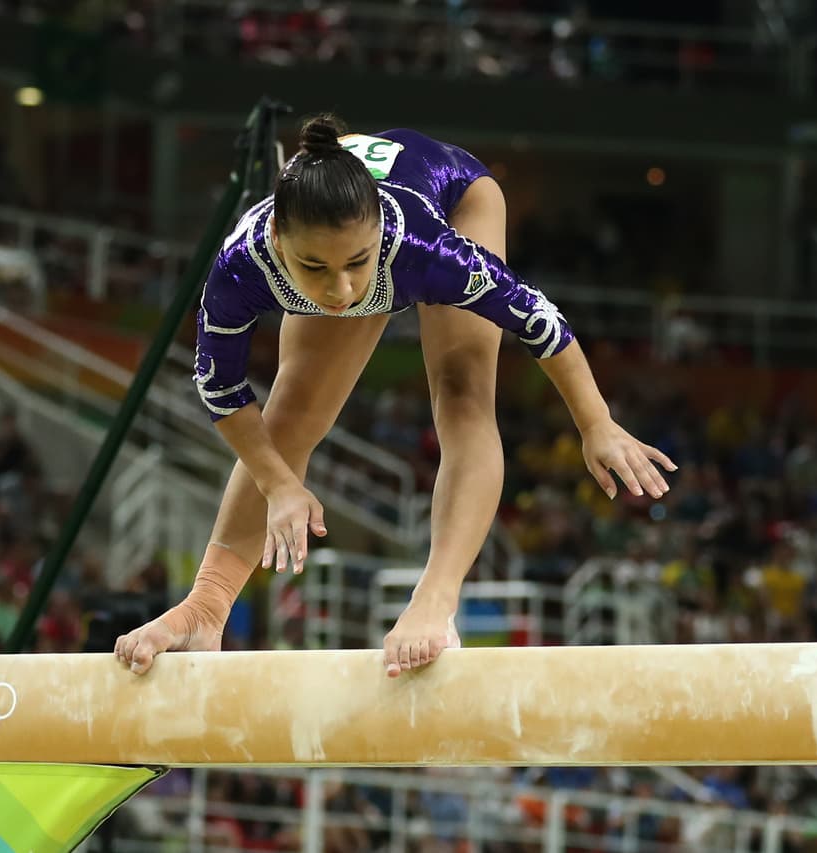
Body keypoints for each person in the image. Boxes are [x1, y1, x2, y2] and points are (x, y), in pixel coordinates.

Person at [114, 114, 675, 678]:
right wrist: (279, 485)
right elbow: (218, 385)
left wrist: (596, 422)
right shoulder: (243, 262)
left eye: (355, 265)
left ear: (380, 230)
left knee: (462, 393)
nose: (341, 290)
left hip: (455, 197)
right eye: (315, 268)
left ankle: (437, 597)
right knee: (289, 415)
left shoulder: (425, 248)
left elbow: (537, 319)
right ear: (280, 242)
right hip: (341, 221)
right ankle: (206, 606)